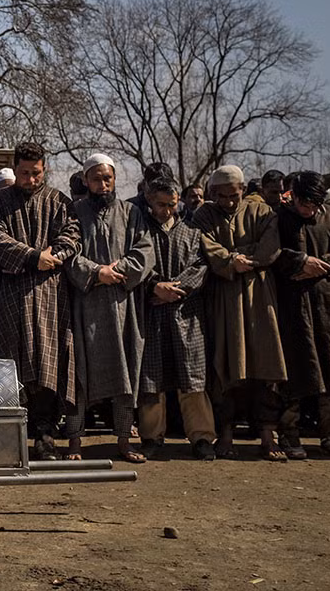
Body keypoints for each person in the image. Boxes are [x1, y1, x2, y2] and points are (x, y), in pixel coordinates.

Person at [0, 142, 80, 460]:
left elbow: (71, 236)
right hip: (12, 293)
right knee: (14, 364)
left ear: (45, 169)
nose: (30, 179)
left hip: (52, 295)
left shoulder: (58, 201)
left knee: (50, 363)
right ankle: (14, 435)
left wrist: (51, 256)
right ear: (16, 169)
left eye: (36, 173)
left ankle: (46, 435)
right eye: (24, 173)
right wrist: (31, 257)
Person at [64, 154, 154, 463]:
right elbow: (68, 254)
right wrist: (95, 272)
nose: (103, 184)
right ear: (86, 180)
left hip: (122, 307)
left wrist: (119, 269)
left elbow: (144, 252)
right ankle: (74, 442)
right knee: (78, 375)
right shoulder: (73, 213)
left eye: (108, 178)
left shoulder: (131, 213)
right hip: (84, 307)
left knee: (125, 373)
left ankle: (124, 441)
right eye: (96, 179)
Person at [193, 165, 287, 461]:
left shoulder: (263, 213)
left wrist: (242, 255)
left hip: (259, 296)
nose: (230, 202)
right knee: (226, 364)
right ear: (212, 194)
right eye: (223, 197)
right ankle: (226, 433)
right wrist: (230, 260)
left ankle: (267, 435)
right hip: (223, 296)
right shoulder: (203, 215)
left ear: (243, 190)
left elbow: (270, 248)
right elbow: (206, 246)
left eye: (234, 196)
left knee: (266, 363)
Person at [137, 178, 216, 461]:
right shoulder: (140, 230)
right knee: (151, 381)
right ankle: (151, 436)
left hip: (187, 316)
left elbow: (201, 266)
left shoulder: (192, 231)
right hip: (153, 315)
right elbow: (136, 265)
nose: (166, 210)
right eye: (161, 204)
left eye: (172, 205)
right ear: (149, 200)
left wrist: (178, 289)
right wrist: (154, 286)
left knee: (193, 380)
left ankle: (202, 437)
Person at [272, 171, 330, 460]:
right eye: (303, 204)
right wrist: (299, 261)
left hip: (329, 307)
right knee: (295, 371)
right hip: (292, 308)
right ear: (293, 196)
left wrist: (320, 264)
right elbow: (270, 254)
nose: (308, 210)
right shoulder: (278, 218)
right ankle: (289, 434)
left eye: (314, 205)